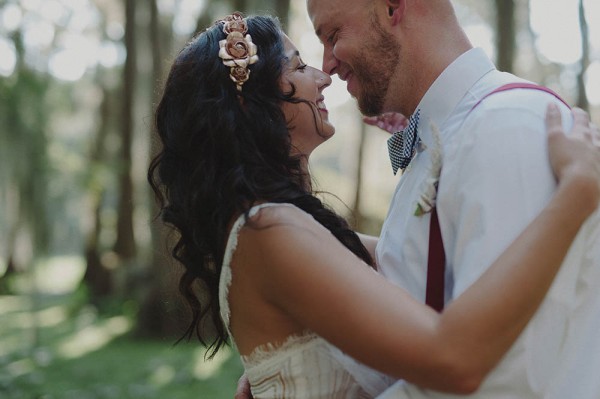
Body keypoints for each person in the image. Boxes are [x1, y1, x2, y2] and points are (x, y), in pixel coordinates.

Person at [148, 13, 600, 399]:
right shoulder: (270, 230)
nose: (323, 74)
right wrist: (577, 193)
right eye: (300, 64)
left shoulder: (282, 228)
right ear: (254, 102)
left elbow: (406, 267)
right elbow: (454, 356)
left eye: (328, 39)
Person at [304, 0, 600, 398]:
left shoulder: (507, 126)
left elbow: (507, 376)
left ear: (393, 7)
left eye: (333, 35)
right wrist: (307, 374)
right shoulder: (440, 139)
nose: (326, 64)